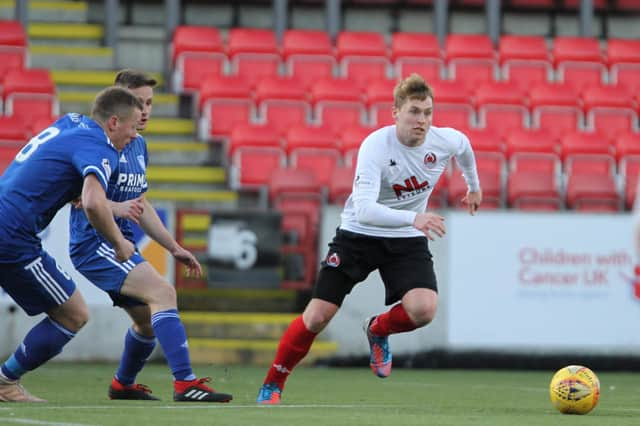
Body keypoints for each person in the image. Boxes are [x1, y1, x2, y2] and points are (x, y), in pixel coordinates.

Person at [256, 73, 483, 404]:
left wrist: (473, 185)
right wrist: (414, 217)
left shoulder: (442, 140)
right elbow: (364, 210)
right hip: (358, 236)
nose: (422, 120)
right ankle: (273, 383)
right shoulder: (376, 146)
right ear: (396, 113)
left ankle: (378, 329)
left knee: (424, 310)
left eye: (428, 112)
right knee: (317, 316)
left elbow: (464, 145)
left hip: (405, 238)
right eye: (414, 112)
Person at [68, 69, 232, 403]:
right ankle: (185, 383)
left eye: (150, 103)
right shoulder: (96, 142)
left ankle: (122, 385)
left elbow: (140, 206)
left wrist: (174, 248)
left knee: (146, 322)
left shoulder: (138, 145)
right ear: (120, 104)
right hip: (95, 243)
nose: (145, 111)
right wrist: (117, 218)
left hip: (123, 244)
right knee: (163, 292)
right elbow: (82, 199)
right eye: (139, 103)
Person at [0, 87, 143, 402]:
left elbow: (69, 186)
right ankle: (5, 382)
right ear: (114, 122)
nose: (135, 136)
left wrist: (114, 207)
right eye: (134, 127)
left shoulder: (72, 122)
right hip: (11, 236)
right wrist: (118, 242)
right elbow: (92, 203)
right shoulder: (101, 148)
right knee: (73, 313)